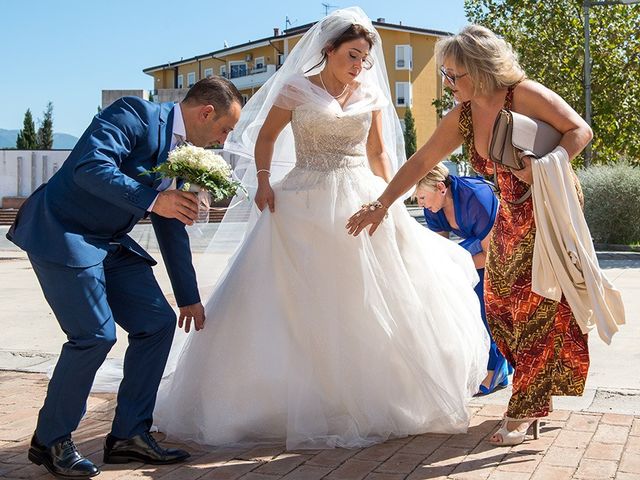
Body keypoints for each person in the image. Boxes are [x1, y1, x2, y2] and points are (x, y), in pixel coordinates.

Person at [153, 7, 489, 450]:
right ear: (328, 50)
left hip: (361, 196)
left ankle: (375, 393)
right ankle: (289, 399)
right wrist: (263, 180)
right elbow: (266, 138)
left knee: (367, 297)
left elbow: (377, 153)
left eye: (365, 59)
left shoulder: (370, 95)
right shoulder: (296, 88)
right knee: (298, 300)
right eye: (352, 55)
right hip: (302, 201)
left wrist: (388, 201)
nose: (359, 65)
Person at [347, 24, 593, 446]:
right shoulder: (461, 116)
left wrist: (545, 165)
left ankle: (522, 410)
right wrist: (383, 202)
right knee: (497, 308)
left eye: (453, 75)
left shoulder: (523, 94)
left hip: (547, 210)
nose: (447, 82)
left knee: (533, 306)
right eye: (444, 74)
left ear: (480, 69)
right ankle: (532, 394)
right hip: (510, 217)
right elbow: (421, 159)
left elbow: (579, 131)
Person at [6, 76, 242, 477]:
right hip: (63, 231)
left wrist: (188, 295)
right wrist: (153, 199)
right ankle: (50, 440)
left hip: (110, 242)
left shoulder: (187, 154)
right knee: (94, 336)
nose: (222, 140)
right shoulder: (133, 113)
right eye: (224, 129)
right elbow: (89, 168)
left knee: (157, 323)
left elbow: (172, 221)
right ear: (206, 113)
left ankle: (129, 436)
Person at [414, 163, 512, 395]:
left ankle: (494, 368)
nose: (420, 204)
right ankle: (468, 363)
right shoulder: (433, 207)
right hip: (476, 245)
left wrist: (457, 266)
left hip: (506, 246)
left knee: (481, 299)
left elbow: (492, 257)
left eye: (421, 197)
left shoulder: (475, 198)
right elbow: (441, 250)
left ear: (441, 188)